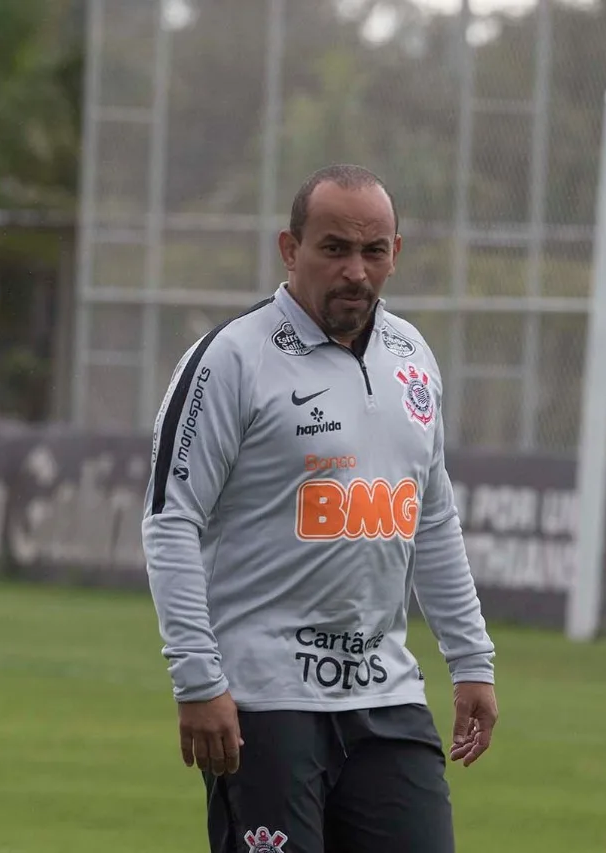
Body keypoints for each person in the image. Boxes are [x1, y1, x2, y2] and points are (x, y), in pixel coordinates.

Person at [141, 164, 498, 853]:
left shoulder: (413, 356)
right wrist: (197, 677)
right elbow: (171, 519)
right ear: (290, 248)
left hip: (386, 693)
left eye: (374, 251)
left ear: (396, 252)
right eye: (334, 248)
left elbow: (431, 518)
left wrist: (472, 659)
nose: (355, 271)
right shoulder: (230, 360)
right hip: (264, 700)